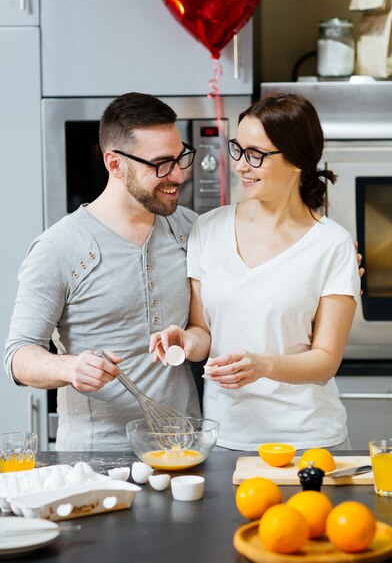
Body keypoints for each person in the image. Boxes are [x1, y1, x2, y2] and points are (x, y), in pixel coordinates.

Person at [150, 93, 361, 451]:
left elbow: (325, 361)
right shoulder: (209, 228)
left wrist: (264, 365)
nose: (240, 166)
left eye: (256, 155)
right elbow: (204, 332)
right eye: (238, 149)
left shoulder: (333, 245)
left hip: (308, 440)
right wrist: (186, 342)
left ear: (296, 160)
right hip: (227, 436)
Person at [4, 92, 201, 451]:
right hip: (97, 459)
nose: (178, 175)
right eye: (160, 164)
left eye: (180, 157)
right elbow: (17, 357)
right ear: (114, 164)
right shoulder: (59, 248)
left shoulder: (191, 231)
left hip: (182, 448)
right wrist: (69, 368)